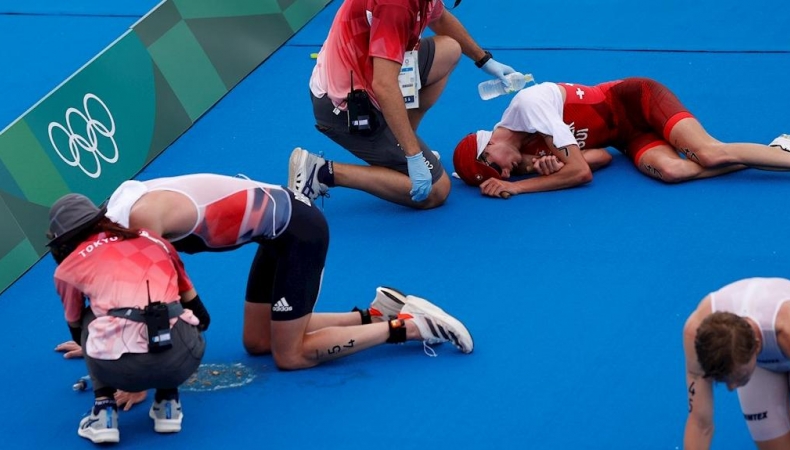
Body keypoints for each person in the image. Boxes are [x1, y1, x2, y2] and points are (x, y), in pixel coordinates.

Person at [57, 174, 473, 406]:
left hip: (299, 233)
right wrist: (98, 337)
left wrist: (138, 376)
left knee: (289, 356)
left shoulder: (140, 226)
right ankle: (374, 313)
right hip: (275, 234)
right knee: (257, 342)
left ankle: (408, 325)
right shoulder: (112, 218)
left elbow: (163, 309)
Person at [290, 0, 521, 209]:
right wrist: (413, 156)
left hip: (362, 76)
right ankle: (319, 171)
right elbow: (384, 85)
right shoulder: (397, 5)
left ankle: (399, 143)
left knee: (449, 49)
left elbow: (439, 18)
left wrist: (484, 60)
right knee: (436, 190)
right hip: (346, 109)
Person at [452, 77, 790, 198]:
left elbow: (580, 174)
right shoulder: (520, 154)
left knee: (708, 154)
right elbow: (601, 157)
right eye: (505, 178)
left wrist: (519, 188)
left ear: (488, 148)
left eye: (500, 170)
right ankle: (773, 150)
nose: (509, 174)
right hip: (626, 137)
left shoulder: (527, 107)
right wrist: (552, 168)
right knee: (674, 173)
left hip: (639, 101)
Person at [47, 193, 210, 444]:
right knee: (169, 305)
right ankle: (168, 403)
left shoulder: (66, 270)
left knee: (89, 317)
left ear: (64, 241)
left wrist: (98, 342)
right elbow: (201, 315)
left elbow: (76, 326)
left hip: (121, 371)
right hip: (184, 360)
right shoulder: (152, 238)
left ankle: (104, 414)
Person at [682, 277, 790, 450]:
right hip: (758, 363)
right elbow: (700, 424)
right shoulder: (696, 336)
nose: (732, 387)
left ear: (757, 345)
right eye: (724, 380)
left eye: (739, 377)